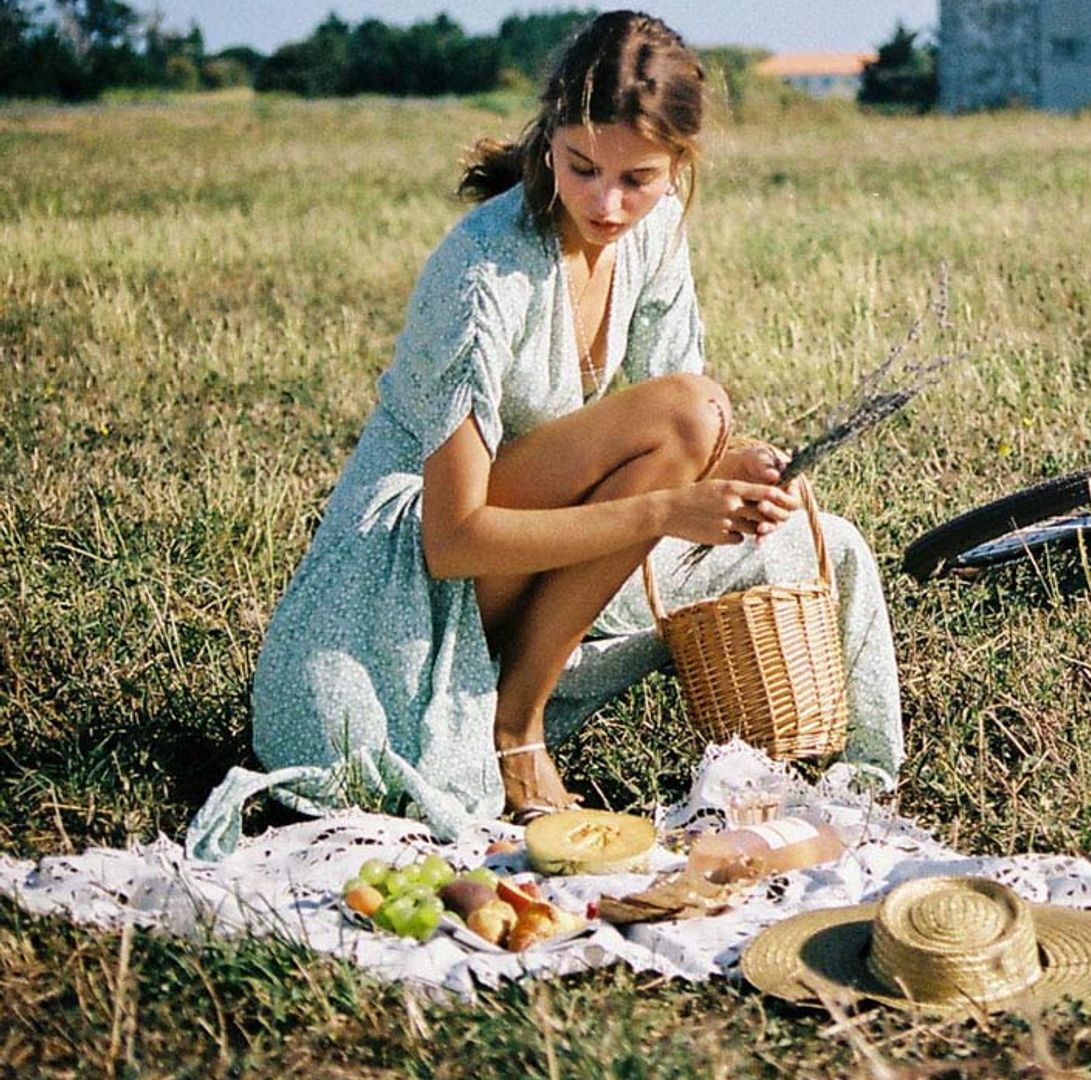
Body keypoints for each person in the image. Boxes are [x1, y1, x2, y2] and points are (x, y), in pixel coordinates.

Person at [186, 11, 904, 858]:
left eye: (637, 178)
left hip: (524, 549)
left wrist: (734, 472)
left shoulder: (656, 231)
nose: (607, 203)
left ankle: (515, 704)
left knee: (708, 427)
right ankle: (515, 726)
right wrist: (667, 510)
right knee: (689, 414)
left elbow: (677, 433)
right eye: (581, 168)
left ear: (680, 166)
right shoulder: (481, 270)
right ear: (550, 140)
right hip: (403, 583)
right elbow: (453, 540)